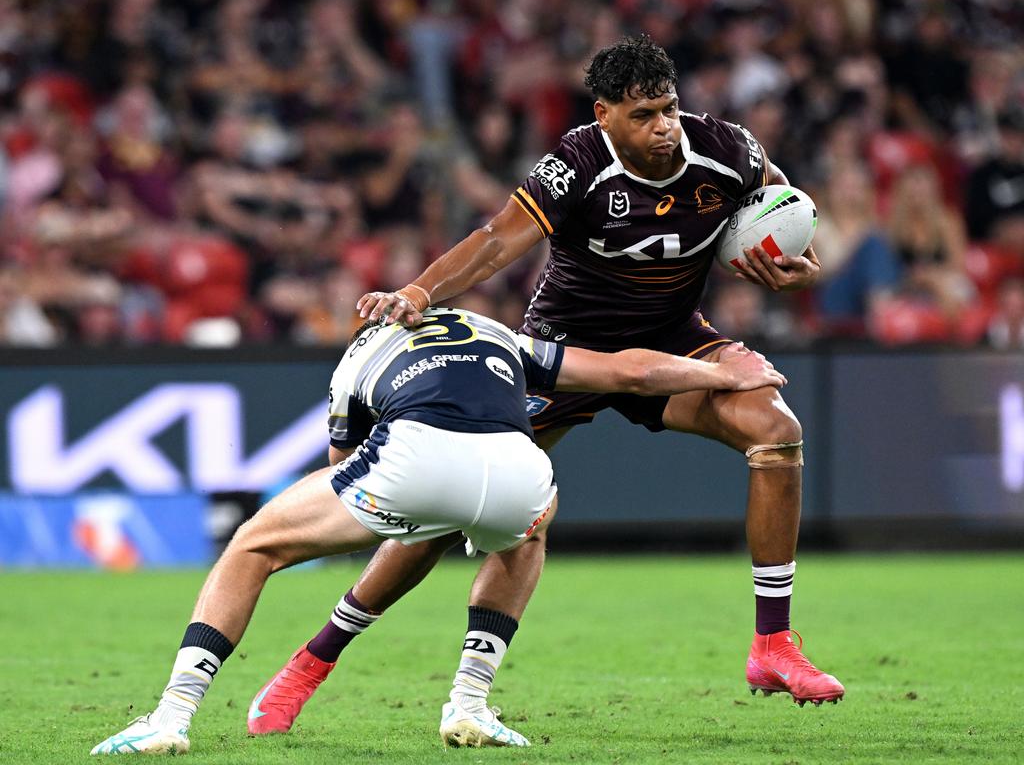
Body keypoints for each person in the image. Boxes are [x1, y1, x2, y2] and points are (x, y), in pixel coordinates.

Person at [249, 35, 843, 747]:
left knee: (776, 429)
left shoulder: (727, 150)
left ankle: (772, 647)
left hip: (675, 341)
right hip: (564, 351)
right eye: (645, 114)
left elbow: (785, 209)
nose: (664, 127)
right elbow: (498, 239)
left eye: (671, 109)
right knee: (446, 512)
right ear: (604, 114)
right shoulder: (575, 164)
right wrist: (418, 290)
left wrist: (797, 262)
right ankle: (311, 662)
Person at [90, 306, 786, 755]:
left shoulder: (360, 355)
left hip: (413, 457)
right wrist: (718, 370)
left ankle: (171, 717)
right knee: (529, 532)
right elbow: (630, 372)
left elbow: (344, 466)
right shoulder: (502, 336)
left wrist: (408, 509)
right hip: (518, 467)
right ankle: (470, 703)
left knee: (253, 543)